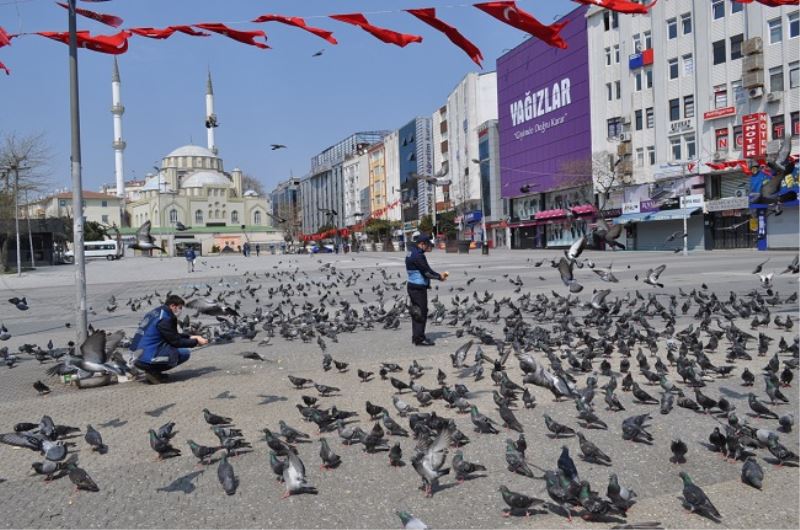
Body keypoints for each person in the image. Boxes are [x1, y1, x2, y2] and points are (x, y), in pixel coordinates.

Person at [129, 295, 208, 384]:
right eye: (179, 308)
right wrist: (195, 342)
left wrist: (190, 337)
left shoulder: (155, 312)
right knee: (184, 353)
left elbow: (171, 335)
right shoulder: (165, 318)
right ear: (172, 306)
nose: (180, 311)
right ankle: (153, 373)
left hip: (135, 355)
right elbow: (175, 342)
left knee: (168, 347)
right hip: (144, 358)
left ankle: (151, 369)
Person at [406, 233, 448, 346]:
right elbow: (427, 272)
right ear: (422, 244)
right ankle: (419, 339)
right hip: (418, 288)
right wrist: (440, 277)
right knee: (421, 313)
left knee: (416, 312)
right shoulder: (418, 255)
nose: (430, 247)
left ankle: (416, 337)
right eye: (428, 244)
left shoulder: (411, 252)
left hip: (412, 286)